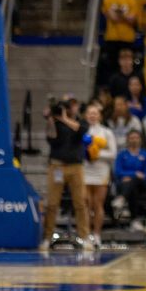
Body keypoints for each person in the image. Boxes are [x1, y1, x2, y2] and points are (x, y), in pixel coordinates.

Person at [42, 100, 91, 250]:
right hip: (57, 165)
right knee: (52, 203)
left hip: (76, 167)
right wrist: (50, 119)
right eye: (69, 106)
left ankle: (85, 237)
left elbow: (81, 131)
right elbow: (51, 138)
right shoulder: (55, 122)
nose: (71, 108)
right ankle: (47, 237)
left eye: (73, 105)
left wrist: (64, 119)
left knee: (80, 203)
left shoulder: (80, 121)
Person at [82, 103, 115, 248]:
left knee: (98, 204)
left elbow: (113, 154)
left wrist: (97, 154)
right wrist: (87, 154)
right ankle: (86, 234)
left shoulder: (107, 132)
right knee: (85, 203)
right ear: (86, 115)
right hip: (85, 171)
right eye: (90, 113)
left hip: (101, 171)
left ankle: (97, 234)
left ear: (100, 116)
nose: (92, 116)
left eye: (95, 113)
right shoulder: (81, 131)